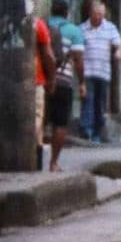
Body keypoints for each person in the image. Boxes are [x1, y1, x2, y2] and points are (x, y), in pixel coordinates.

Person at [78, 0, 121, 143]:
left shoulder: (110, 27)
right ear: (91, 13)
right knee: (88, 100)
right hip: (88, 71)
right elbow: (78, 50)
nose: (99, 17)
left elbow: (119, 44)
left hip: (103, 72)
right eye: (97, 14)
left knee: (100, 102)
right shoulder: (82, 28)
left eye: (102, 14)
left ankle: (97, 131)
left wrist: (118, 52)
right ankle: (87, 130)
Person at [36, 12, 73, 172]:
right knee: (59, 123)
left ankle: (35, 162)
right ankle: (53, 162)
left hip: (39, 82)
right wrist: (51, 80)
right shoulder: (41, 26)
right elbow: (51, 57)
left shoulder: (41, 26)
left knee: (39, 123)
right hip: (58, 81)